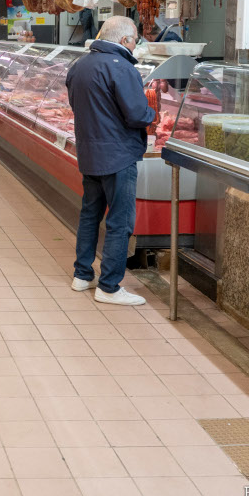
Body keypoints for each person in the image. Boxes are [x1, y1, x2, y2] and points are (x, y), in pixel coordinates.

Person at [65, 16, 156, 306]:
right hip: (118, 156)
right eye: (135, 40)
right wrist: (154, 115)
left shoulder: (79, 65)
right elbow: (138, 115)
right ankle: (109, 286)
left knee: (90, 214)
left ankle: (82, 275)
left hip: (90, 152)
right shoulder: (122, 68)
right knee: (120, 221)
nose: (135, 45)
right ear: (125, 40)